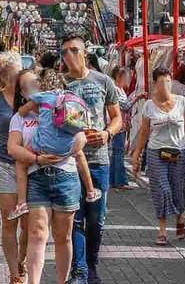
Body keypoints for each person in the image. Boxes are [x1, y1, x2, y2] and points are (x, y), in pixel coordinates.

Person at [7, 68, 83, 284]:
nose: (32, 88)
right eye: (26, 86)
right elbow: (13, 148)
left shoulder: (65, 104)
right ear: (22, 93)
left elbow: (81, 138)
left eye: (35, 82)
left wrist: (62, 153)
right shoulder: (20, 117)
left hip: (66, 176)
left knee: (63, 236)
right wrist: (38, 159)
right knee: (37, 233)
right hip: (37, 177)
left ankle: (62, 281)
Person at [60, 34, 122, 284]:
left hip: (98, 160)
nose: (69, 55)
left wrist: (107, 134)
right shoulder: (61, 84)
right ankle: (80, 271)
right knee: (74, 218)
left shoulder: (103, 81)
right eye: (64, 51)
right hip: (68, 162)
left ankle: (92, 264)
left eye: (74, 50)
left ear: (85, 52)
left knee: (96, 220)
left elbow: (117, 117)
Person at [6, 75, 101, 222]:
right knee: (80, 155)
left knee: (20, 163)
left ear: (42, 86)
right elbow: (80, 127)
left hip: (48, 154)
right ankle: (90, 190)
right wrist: (65, 152)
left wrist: (39, 157)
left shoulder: (42, 98)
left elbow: (22, 112)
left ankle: (22, 202)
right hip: (63, 151)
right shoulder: (67, 99)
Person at [0, 53, 31, 284]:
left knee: (29, 224)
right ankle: (14, 275)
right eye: (12, 72)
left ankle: (22, 260)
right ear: (2, 76)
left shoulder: (30, 97)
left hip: (30, 167)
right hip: (3, 165)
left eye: (19, 70)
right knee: (10, 222)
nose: (17, 75)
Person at [130, 67, 185, 245]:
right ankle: (162, 228)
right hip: (156, 152)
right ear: (155, 84)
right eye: (161, 82)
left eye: (168, 81)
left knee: (178, 189)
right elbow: (144, 132)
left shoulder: (182, 102)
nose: (165, 85)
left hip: (178, 152)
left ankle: (180, 218)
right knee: (161, 189)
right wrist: (137, 154)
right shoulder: (149, 106)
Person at [109, 66, 141, 191]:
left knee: (116, 153)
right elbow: (125, 106)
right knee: (118, 154)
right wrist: (137, 98)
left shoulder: (119, 89)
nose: (127, 80)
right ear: (120, 77)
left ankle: (114, 180)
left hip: (119, 125)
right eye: (126, 77)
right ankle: (120, 181)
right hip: (119, 126)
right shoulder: (117, 90)